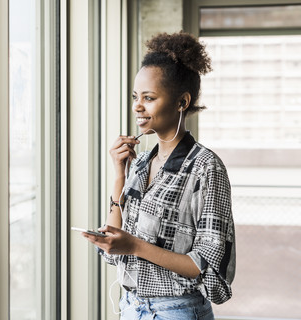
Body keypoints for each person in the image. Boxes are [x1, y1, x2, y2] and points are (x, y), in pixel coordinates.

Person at [82, 31, 236, 320]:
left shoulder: (206, 167)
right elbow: (114, 245)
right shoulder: (141, 163)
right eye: (135, 97)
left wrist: (135, 246)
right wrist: (119, 174)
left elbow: (207, 265)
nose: (137, 106)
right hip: (131, 307)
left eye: (149, 98)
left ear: (182, 102)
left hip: (177, 311)